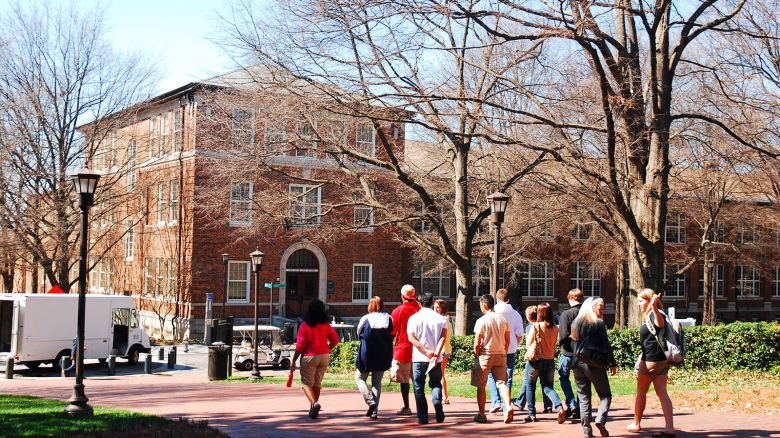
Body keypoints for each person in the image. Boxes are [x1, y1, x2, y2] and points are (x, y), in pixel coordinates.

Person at [628, 289, 676, 437]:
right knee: (662, 393)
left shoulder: (656, 314)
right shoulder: (656, 314)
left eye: (641, 301)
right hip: (662, 361)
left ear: (650, 300)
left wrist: (654, 307)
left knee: (641, 392)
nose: (638, 304)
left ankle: (636, 423)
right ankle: (669, 427)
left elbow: (659, 324)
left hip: (650, 361)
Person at [571, 297, 617, 437]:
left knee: (584, 399)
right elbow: (606, 345)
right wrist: (612, 363)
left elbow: (572, 345)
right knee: (605, 395)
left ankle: (587, 432)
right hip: (594, 365)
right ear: (591, 307)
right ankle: (600, 420)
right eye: (600, 307)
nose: (602, 310)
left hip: (578, 365)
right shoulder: (598, 324)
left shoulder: (576, 323)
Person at [290, 299, 340, 420]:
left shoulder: (305, 325)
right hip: (324, 356)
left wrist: (294, 360)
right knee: (317, 383)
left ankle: (314, 404)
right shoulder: (326, 325)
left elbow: (300, 346)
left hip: (309, 356)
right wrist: (327, 349)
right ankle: (313, 409)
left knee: (306, 384)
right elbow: (335, 340)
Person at [471, 294, 513, 424]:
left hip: (485, 354)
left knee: (481, 385)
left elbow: (477, 342)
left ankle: (482, 414)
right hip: (500, 354)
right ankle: (508, 405)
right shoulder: (503, 320)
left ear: (484, 305)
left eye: (480, 306)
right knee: (502, 383)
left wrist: (476, 354)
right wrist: (504, 352)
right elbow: (507, 339)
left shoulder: (482, 320)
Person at [407, 293, 448, 425]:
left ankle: (423, 417)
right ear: (432, 303)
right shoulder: (440, 318)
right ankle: (437, 403)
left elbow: (412, 338)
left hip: (419, 358)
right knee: (436, 383)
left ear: (419, 303)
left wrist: (426, 351)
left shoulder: (413, 318)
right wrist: (436, 352)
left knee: (418, 387)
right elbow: (443, 336)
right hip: (436, 358)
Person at [524, 302, 566, 424]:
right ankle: (558, 407)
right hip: (549, 360)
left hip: (535, 361)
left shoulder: (536, 326)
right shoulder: (555, 328)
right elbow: (556, 343)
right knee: (548, 387)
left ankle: (531, 414)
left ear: (540, 313)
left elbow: (528, 344)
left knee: (530, 386)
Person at [355, 296, 394, 420]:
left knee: (360, 378)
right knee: (377, 383)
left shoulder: (366, 318)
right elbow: (392, 334)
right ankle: (374, 411)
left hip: (367, 353)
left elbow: (358, 333)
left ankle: (370, 400)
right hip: (383, 353)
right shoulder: (389, 318)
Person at [487, 288, 524, 415]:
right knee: (508, 376)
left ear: (497, 298)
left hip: (495, 348)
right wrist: (515, 345)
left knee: (492, 374)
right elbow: (520, 334)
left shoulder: (493, 312)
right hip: (510, 349)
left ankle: (495, 400)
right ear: (508, 299)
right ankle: (506, 404)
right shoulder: (516, 314)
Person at [514, 305, 553, 413]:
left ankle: (527, 408)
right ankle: (549, 406)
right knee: (547, 384)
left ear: (528, 317)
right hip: (549, 357)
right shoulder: (550, 326)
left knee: (529, 383)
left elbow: (528, 344)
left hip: (535, 358)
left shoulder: (532, 327)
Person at [390, 284, 421, 415]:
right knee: (418, 382)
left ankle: (406, 406)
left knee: (404, 381)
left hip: (403, 349)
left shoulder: (397, 311)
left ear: (402, 296)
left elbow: (392, 332)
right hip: (420, 350)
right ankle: (421, 407)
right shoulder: (420, 309)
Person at [558, 288, 585, 419]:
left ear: (570, 298)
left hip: (568, 352)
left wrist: (559, 342)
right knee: (581, 381)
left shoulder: (566, 314)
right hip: (584, 353)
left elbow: (563, 335)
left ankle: (571, 403)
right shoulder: (587, 314)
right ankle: (581, 408)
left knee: (563, 377)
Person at [433, 299, 452, 405]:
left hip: (443, 350)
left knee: (440, 374)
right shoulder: (444, 319)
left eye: (438, 307)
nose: (435, 309)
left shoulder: (443, 319)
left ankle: (445, 396)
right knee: (440, 374)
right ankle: (443, 396)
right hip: (444, 349)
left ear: (442, 309)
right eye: (434, 307)